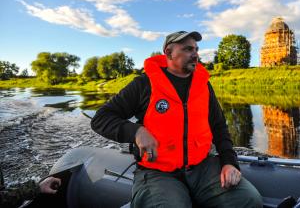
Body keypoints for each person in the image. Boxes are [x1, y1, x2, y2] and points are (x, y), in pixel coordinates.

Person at [91, 31, 263, 208]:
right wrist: (136, 131)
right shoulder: (144, 84)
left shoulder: (203, 85)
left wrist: (229, 162)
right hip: (158, 172)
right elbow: (101, 118)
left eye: (196, 49)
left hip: (203, 167)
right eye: (188, 49)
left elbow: (219, 127)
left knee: (250, 200)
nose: (195, 54)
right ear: (168, 52)